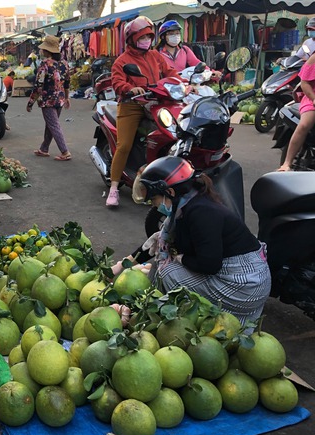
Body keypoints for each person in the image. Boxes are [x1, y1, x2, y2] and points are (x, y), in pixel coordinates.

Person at [113, 156, 270, 324]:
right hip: (239, 274)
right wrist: (119, 267)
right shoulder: (188, 204)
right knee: (164, 262)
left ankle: (151, 314)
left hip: (245, 285)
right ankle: (155, 307)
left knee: (167, 271)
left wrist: (179, 258)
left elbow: (210, 265)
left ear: (170, 192)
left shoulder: (201, 213)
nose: (154, 205)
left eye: (154, 200)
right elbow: (157, 244)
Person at [106, 16, 178, 207]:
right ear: (131, 39)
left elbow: (170, 72)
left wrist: (183, 83)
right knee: (124, 146)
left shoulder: (155, 55)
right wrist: (130, 88)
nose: (146, 40)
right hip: (132, 106)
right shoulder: (122, 61)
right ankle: (113, 189)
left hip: (156, 103)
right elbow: (117, 82)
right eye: (142, 37)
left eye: (148, 36)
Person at [26, 36, 72, 161]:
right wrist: (67, 98)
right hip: (60, 99)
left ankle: (65, 151)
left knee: (54, 125)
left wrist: (30, 102)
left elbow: (38, 86)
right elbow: (67, 83)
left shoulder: (44, 65)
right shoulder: (64, 64)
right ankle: (44, 148)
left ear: (47, 51)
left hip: (48, 100)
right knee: (51, 124)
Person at [279, 50, 315, 171]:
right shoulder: (313, 59)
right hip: (312, 100)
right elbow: (304, 83)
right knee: (304, 125)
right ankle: (287, 163)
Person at [156, 20, 223, 79]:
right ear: (162, 37)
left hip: (184, 85)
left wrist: (211, 72)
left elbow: (196, 63)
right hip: (166, 87)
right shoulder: (157, 53)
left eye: (177, 33)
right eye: (171, 34)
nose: (175, 36)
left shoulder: (185, 50)